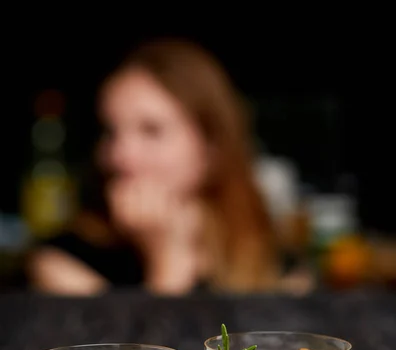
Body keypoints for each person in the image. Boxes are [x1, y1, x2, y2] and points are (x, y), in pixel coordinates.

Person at [26, 37, 285, 296]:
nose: (119, 155)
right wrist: (166, 262)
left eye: (152, 130)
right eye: (110, 132)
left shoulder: (268, 252)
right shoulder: (61, 262)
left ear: (211, 147)